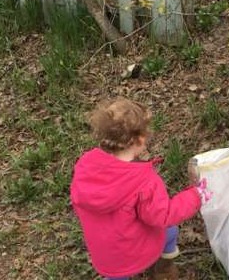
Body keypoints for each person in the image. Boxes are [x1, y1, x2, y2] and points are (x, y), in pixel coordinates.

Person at [70, 97, 212, 280]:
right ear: (140, 139)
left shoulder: (86, 165)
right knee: (169, 232)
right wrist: (196, 196)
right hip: (133, 251)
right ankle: (164, 269)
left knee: (116, 276)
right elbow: (163, 215)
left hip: (104, 254)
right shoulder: (143, 182)